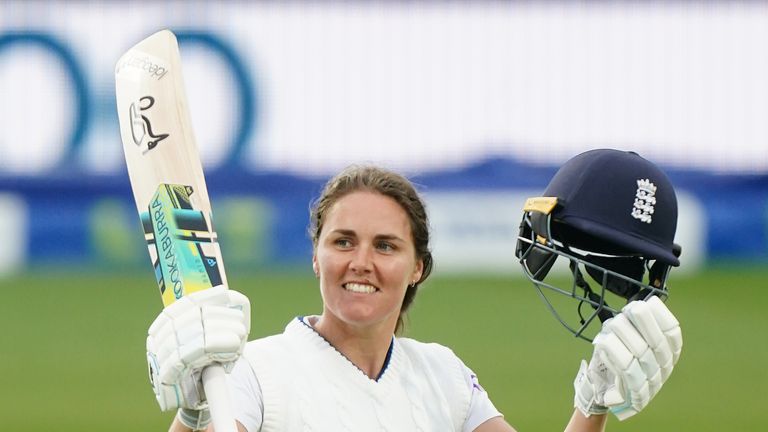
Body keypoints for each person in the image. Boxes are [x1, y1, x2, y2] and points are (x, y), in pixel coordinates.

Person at [146, 152, 683, 432]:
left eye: (385, 246)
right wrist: (190, 418)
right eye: (342, 241)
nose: (361, 262)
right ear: (316, 256)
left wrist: (593, 403)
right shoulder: (252, 371)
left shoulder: (444, 377)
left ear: (418, 267)